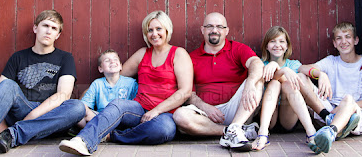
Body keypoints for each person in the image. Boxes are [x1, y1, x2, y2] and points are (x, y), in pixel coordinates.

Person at [59, 10, 193, 156]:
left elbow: (185, 91)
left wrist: (157, 110)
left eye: (158, 29)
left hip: (165, 113)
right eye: (150, 30)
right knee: (119, 104)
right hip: (138, 108)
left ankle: (111, 135)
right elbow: (117, 76)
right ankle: (83, 141)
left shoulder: (179, 54)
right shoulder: (143, 54)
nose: (154, 34)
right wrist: (92, 90)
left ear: (167, 29)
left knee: (164, 130)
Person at [0, 9, 85, 157]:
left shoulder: (65, 58)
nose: (48, 31)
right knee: (7, 85)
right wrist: (0, 128)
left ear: (58, 35)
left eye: (54, 28)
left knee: (77, 107)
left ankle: (15, 134)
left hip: (49, 115)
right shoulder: (18, 57)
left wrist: (29, 118)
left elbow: (63, 95)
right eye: (45, 25)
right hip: (21, 109)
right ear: (35, 28)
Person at [172, 12, 264, 152]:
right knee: (180, 116)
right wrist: (205, 107)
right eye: (210, 26)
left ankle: (236, 125)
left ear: (226, 31)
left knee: (258, 79)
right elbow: (188, 92)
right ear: (203, 30)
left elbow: (256, 63)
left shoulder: (237, 48)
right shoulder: (191, 58)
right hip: (206, 115)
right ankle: (231, 131)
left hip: (238, 108)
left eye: (219, 27)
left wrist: (250, 83)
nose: (214, 30)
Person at [299, 21, 362, 153]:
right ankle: (333, 127)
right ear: (335, 43)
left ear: (356, 40)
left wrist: (343, 109)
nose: (343, 42)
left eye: (348, 37)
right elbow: (302, 68)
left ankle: (331, 131)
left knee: (348, 100)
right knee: (301, 78)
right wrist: (320, 74)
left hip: (357, 113)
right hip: (329, 110)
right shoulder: (331, 61)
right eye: (339, 38)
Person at [253, 26, 319, 152]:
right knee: (274, 84)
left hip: (287, 118)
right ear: (266, 46)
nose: (277, 45)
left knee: (288, 84)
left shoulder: (294, 65)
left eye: (281, 41)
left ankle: (311, 133)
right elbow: (269, 79)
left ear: (287, 46)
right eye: (272, 41)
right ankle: (262, 135)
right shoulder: (261, 64)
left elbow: (306, 73)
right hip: (268, 120)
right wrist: (278, 68)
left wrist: (321, 74)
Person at [76, 49, 138, 128]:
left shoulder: (131, 83)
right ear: (100, 68)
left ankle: (103, 132)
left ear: (120, 66)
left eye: (115, 59)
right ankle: (103, 132)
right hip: (101, 117)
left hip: (121, 118)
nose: (112, 62)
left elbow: (137, 106)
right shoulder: (97, 84)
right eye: (107, 60)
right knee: (80, 117)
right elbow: (84, 105)